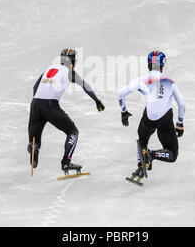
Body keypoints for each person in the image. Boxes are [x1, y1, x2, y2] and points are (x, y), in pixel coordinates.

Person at [28, 49, 105, 174]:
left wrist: (36, 104)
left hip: (35, 104)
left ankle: (33, 147)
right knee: (73, 132)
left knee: (35, 141)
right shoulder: (70, 72)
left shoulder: (50, 68)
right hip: (50, 106)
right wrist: (97, 101)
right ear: (73, 62)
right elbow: (85, 86)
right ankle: (66, 162)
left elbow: (35, 87)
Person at [118, 51, 185, 179]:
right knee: (172, 154)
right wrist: (180, 123)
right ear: (162, 66)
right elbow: (181, 104)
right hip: (165, 118)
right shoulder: (170, 81)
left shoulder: (140, 80)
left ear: (148, 65)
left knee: (142, 140)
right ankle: (152, 155)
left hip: (149, 117)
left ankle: (141, 167)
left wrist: (124, 112)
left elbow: (121, 94)